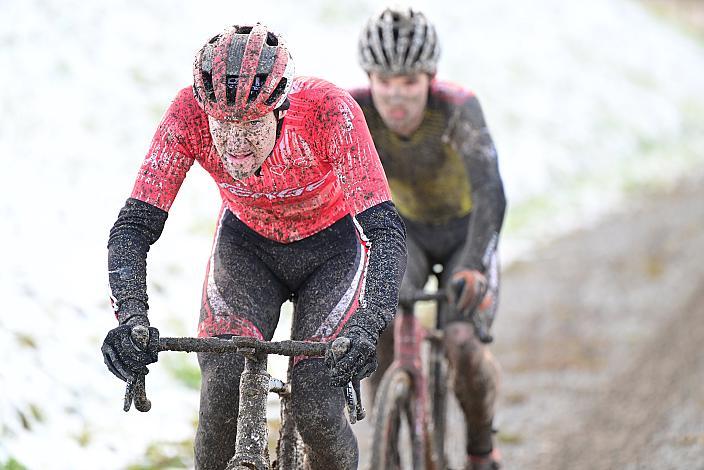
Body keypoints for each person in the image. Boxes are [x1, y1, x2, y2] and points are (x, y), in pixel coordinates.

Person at [100, 23, 406, 470]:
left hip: (333, 252)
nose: (235, 143)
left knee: (317, 410)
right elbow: (132, 227)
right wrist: (130, 319)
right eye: (221, 125)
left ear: (281, 110)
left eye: (251, 125)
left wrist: (367, 323)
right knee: (220, 394)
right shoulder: (187, 114)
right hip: (247, 248)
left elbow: (385, 232)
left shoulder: (329, 111)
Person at [350, 8, 506, 470]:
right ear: (369, 79)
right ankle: (388, 450)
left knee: (460, 340)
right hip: (408, 232)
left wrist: (474, 264)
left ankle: (481, 448)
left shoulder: (457, 108)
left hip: (465, 231)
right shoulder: (355, 109)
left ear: (431, 79)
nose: (396, 97)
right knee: (381, 320)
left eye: (410, 83)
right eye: (385, 81)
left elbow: (490, 193)